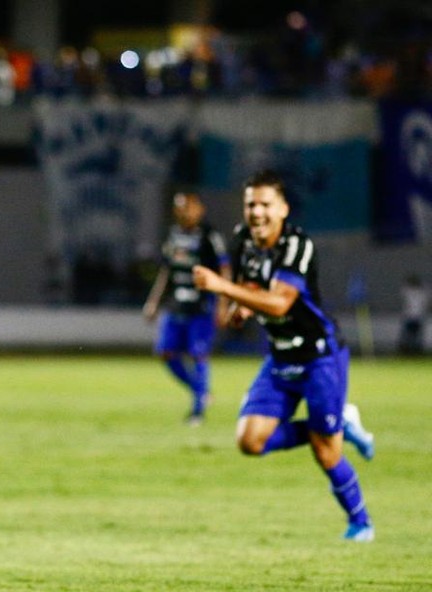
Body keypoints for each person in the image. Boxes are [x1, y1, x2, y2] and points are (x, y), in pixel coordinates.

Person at [192, 169, 376, 541]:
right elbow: (252, 284)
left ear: (283, 209)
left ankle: (361, 522)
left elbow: (278, 303)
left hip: (319, 357)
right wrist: (241, 305)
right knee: (249, 441)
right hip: (280, 357)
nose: (256, 212)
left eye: (265, 205)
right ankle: (339, 421)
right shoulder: (244, 239)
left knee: (327, 454)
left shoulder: (298, 246)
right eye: (250, 205)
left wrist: (220, 286)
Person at [143, 190, 231, 424]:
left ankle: (197, 411)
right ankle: (201, 391)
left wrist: (223, 303)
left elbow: (224, 269)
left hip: (201, 304)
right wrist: (153, 301)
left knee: (198, 354)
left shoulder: (210, 235)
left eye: (187, 207)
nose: (183, 212)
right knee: (165, 352)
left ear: (198, 208)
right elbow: (166, 271)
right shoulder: (173, 236)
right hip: (175, 304)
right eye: (178, 207)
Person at [398, 273, 427, 355]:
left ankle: (414, 350)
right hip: (411, 316)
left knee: (414, 336)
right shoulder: (419, 292)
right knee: (409, 335)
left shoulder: (415, 292)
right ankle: (408, 350)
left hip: (415, 317)